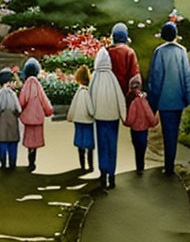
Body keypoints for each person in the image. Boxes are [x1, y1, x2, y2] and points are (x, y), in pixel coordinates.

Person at [147, 22, 190, 176]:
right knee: (173, 133)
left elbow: (155, 79)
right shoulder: (182, 51)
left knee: (167, 133)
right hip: (178, 99)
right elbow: (187, 77)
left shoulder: (159, 52)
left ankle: (168, 166)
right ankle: (170, 164)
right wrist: (188, 98)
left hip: (163, 101)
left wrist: (152, 104)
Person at [88, 47, 127, 190]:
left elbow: (89, 98)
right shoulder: (113, 78)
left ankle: (103, 174)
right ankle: (112, 175)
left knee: (102, 146)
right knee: (112, 146)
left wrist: (90, 114)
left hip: (99, 118)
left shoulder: (95, 78)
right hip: (113, 118)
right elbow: (120, 99)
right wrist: (124, 117)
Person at [19, 57, 54, 171]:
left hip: (28, 117)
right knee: (36, 140)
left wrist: (19, 110)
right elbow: (44, 100)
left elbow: (22, 100)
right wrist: (48, 111)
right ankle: (33, 161)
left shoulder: (26, 85)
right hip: (38, 116)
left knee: (29, 140)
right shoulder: (37, 84)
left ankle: (30, 161)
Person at [124, 76, 158, 175]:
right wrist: (153, 122)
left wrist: (126, 122)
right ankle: (141, 166)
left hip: (135, 129)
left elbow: (131, 118)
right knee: (142, 148)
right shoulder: (144, 99)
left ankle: (138, 166)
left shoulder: (132, 100)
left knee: (136, 147)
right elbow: (148, 113)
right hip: (144, 129)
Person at [66, 64, 95, 172]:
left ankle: (82, 165)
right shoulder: (87, 92)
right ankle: (90, 165)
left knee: (80, 144)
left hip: (78, 121)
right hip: (88, 121)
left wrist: (70, 117)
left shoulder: (78, 92)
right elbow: (91, 110)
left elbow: (73, 106)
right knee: (89, 145)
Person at [0, 68, 21, 170]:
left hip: (2, 121)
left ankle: (3, 163)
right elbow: (18, 109)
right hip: (12, 120)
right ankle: (12, 163)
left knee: (2, 143)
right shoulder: (12, 94)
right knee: (13, 143)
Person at [107, 22, 141, 98]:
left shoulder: (107, 52)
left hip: (110, 94)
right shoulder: (129, 52)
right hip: (125, 94)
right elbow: (135, 79)